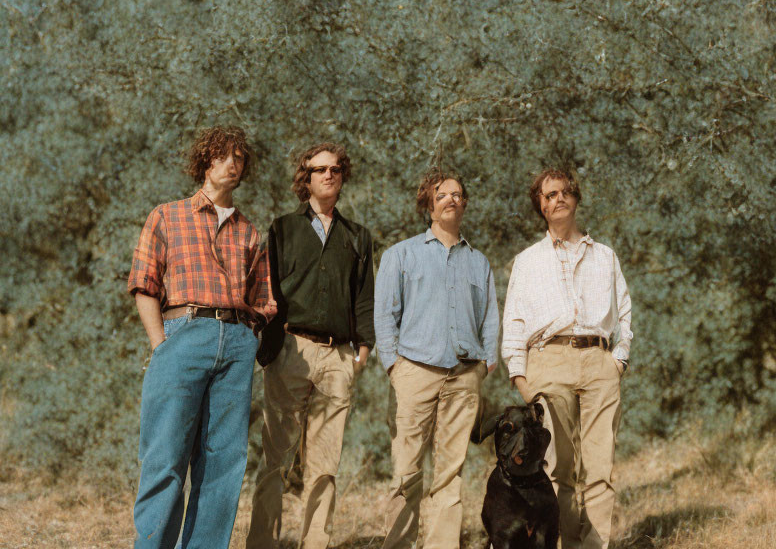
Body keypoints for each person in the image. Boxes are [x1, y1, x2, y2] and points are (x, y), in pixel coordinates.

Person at [127, 125, 271, 549]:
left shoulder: (249, 231)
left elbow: (264, 299)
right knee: (165, 457)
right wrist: (161, 344)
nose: (232, 163)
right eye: (223, 155)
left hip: (236, 341)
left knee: (223, 464)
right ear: (205, 161)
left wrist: (248, 336)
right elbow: (143, 284)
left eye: (239, 158)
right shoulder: (167, 215)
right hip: (181, 334)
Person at [248, 142, 375, 549]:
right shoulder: (282, 228)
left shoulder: (358, 236)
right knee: (276, 461)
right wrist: (270, 350)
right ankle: (263, 543)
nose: (328, 175)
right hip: (291, 350)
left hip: (338, 357)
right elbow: (267, 291)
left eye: (335, 169)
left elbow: (364, 296)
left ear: (342, 176)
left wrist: (363, 351)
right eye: (319, 169)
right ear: (306, 178)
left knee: (325, 464)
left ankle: (315, 542)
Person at [501, 167, 633, 549]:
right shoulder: (527, 261)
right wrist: (521, 379)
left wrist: (618, 360)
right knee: (556, 469)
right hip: (548, 361)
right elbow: (514, 322)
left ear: (575, 198)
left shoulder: (605, 257)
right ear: (540, 206)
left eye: (564, 192)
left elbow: (624, 313)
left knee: (600, 468)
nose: (558, 199)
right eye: (549, 195)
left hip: (599, 362)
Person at [375, 169, 499, 549]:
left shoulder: (479, 262)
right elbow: (383, 316)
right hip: (414, 372)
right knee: (406, 471)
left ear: (464, 204)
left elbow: (490, 317)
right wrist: (395, 367)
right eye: (442, 194)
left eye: (458, 194)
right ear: (429, 204)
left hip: (464, 377)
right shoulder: (401, 254)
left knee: (450, 473)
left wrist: (485, 364)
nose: (452, 199)